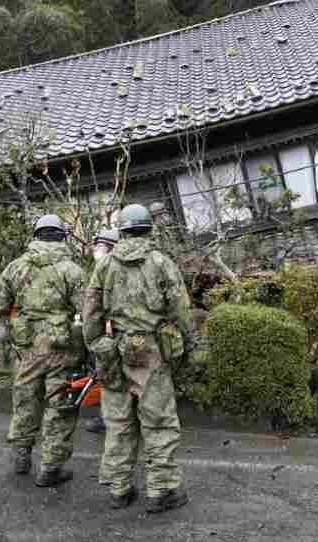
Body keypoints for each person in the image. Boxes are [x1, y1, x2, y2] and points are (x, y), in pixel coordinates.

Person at [83, 204, 193, 513]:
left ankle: (119, 488)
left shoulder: (104, 266)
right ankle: (161, 490)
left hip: (113, 349)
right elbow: (180, 309)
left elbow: (91, 311)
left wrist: (96, 344)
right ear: (148, 229)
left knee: (118, 421)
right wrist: (190, 342)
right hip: (151, 351)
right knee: (158, 421)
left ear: (122, 230)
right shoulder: (160, 262)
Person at [0, 214, 87, 487]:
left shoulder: (15, 267)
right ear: (62, 236)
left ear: (36, 235)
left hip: (27, 346)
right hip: (61, 346)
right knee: (60, 403)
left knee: (25, 399)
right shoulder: (72, 270)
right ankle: (51, 468)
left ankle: (21, 456)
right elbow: (89, 312)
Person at [84, 229, 119, 436]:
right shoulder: (105, 269)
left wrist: (95, 338)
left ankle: (109, 419)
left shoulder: (110, 270)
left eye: (101, 246)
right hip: (122, 333)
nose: (97, 250)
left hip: (113, 333)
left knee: (110, 377)